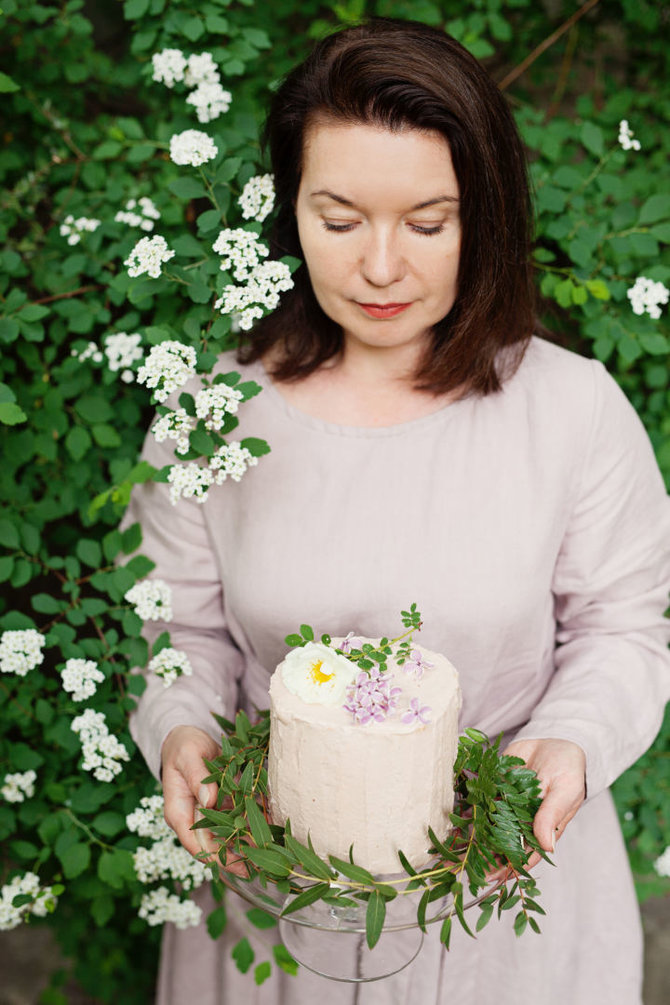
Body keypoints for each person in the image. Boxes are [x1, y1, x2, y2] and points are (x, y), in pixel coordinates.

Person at [124, 18, 670, 1005]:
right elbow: (172, 627)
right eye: (339, 220)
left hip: (509, 900)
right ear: (288, 210)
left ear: (486, 217)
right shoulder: (211, 415)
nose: (381, 266)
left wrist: (573, 739)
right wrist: (178, 727)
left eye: (427, 223)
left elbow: (623, 627)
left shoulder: (572, 409)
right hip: (276, 896)